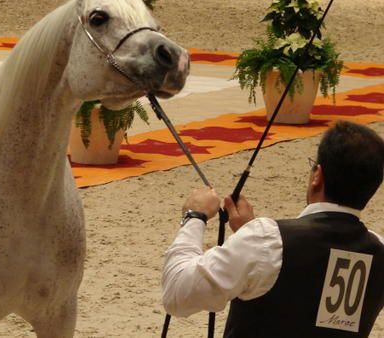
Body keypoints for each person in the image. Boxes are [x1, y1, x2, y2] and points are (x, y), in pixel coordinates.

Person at [162, 121, 384, 337]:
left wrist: (194, 217)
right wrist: (249, 235)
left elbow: (177, 294)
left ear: (318, 176)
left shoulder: (265, 239)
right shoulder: (379, 249)